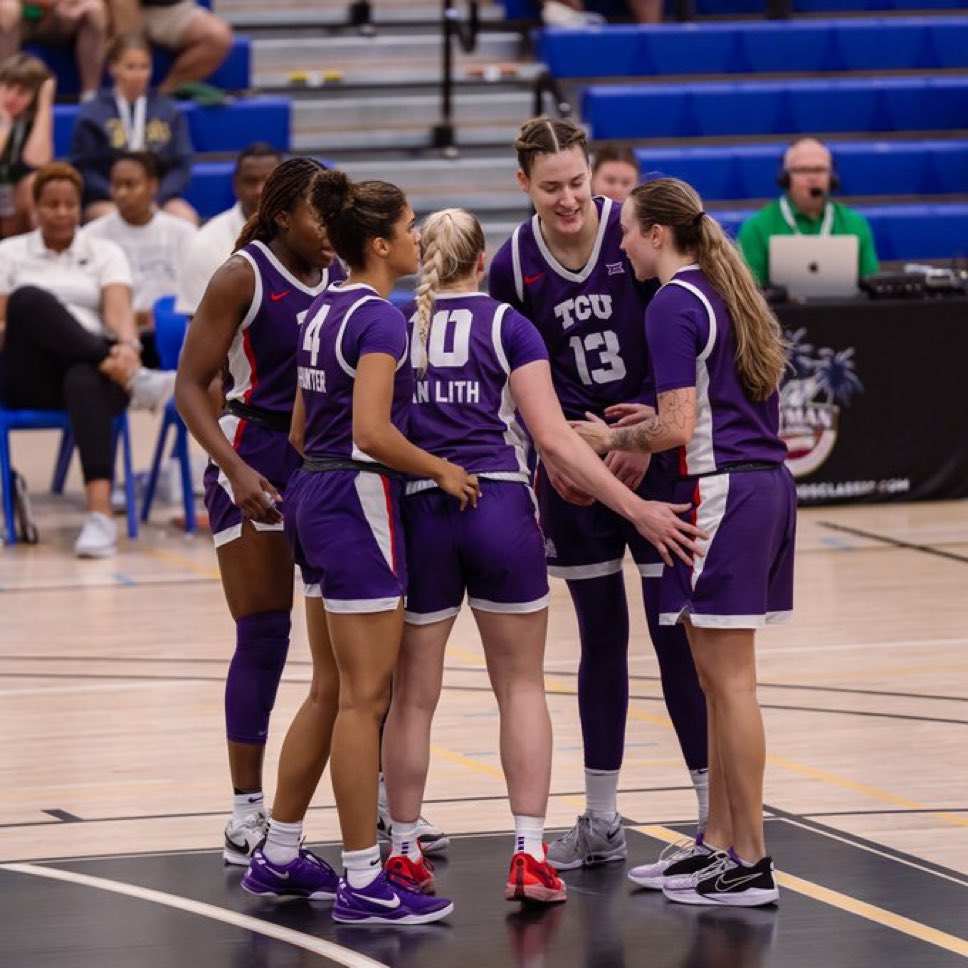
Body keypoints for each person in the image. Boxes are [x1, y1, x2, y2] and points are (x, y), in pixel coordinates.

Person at [381, 208, 705, 903]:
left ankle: (401, 848)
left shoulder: (395, 327)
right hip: (496, 508)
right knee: (521, 688)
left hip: (420, 509)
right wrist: (637, 508)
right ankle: (529, 852)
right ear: (482, 260)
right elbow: (557, 443)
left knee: (412, 697)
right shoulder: (508, 326)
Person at [241, 170, 477, 926]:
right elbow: (373, 432)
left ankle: (278, 851)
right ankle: (364, 876)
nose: (417, 237)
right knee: (364, 699)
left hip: (311, 491)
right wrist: (441, 466)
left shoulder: (319, 309)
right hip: (356, 498)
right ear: (378, 243)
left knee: (328, 688)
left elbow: (305, 430)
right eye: (408, 226)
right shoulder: (379, 320)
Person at [489, 116, 710, 874]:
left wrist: (646, 433)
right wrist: (553, 450)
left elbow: (675, 335)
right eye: (550, 187)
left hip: (657, 456)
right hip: (572, 476)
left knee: (677, 636)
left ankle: (714, 818)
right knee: (600, 639)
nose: (568, 199)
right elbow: (507, 370)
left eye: (578, 182)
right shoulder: (512, 264)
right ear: (524, 185)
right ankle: (603, 816)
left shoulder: (633, 234)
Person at [572, 176, 795, 907]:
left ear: (658, 235)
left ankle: (752, 859)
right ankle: (720, 841)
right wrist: (656, 417)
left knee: (729, 683)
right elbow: (693, 406)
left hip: (725, 489)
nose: (623, 244)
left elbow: (671, 429)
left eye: (629, 231)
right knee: (713, 675)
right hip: (759, 484)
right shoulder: (724, 291)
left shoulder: (672, 301)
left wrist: (609, 434)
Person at [173, 157, 344, 868]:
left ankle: (395, 804)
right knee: (266, 632)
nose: (331, 227)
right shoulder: (242, 275)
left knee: (354, 646)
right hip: (252, 452)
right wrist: (232, 467)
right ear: (281, 216)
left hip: (329, 464)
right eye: (319, 214)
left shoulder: (343, 274)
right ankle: (246, 812)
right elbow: (188, 385)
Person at [0, 162, 175, 557]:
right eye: (51, 205)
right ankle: (136, 380)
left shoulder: (104, 252)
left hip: (92, 375)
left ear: (79, 207)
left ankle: (99, 519)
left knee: (83, 377)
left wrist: (128, 345)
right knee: (29, 299)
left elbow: (118, 313)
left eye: (69, 204)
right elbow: (4, 324)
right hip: (29, 375)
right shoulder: (9, 254)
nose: (61, 212)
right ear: (35, 210)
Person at [71, 33, 197, 225]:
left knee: (184, 217)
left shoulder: (169, 111)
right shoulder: (92, 113)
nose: (138, 75)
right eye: (130, 67)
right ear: (113, 68)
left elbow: (181, 163)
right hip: (109, 199)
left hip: (159, 199)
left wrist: (155, 196)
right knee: (107, 217)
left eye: (144, 67)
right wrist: (121, 194)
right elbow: (84, 167)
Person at [736, 136, 879, 287]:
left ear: (831, 176)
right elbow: (748, 293)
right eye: (803, 170)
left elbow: (870, 285)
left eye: (820, 169)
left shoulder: (856, 224)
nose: (812, 177)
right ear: (786, 178)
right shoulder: (756, 227)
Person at [82, 150, 196, 339]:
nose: (121, 193)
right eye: (116, 185)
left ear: (153, 185)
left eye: (130, 185)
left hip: (172, 332)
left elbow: (195, 293)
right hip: (113, 334)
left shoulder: (183, 233)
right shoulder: (91, 235)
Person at [175, 142, 282, 318]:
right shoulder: (205, 242)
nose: (260, 190)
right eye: (251, 181)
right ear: (236, 185)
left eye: (269, 181)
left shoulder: (307, 235)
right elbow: (199, 325)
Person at [105, 0, 233, 95]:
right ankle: (121, 99)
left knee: (217, 37)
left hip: (170, 9)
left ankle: (165, 96)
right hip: (116, 7)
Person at [0, 0, 107, 102]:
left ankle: (90, 95)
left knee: (95, 9)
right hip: (23, 16)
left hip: (58, 17)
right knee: (7, 9)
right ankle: (6, 87)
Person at [0, 53, 54, 237]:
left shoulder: (32, 121)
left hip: (13, 211)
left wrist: (44, 105)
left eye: (22, 92)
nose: (12, 97)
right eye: (8, 87)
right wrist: (4, 125)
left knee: (35, 183)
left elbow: (37, 161)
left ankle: (41, 258)